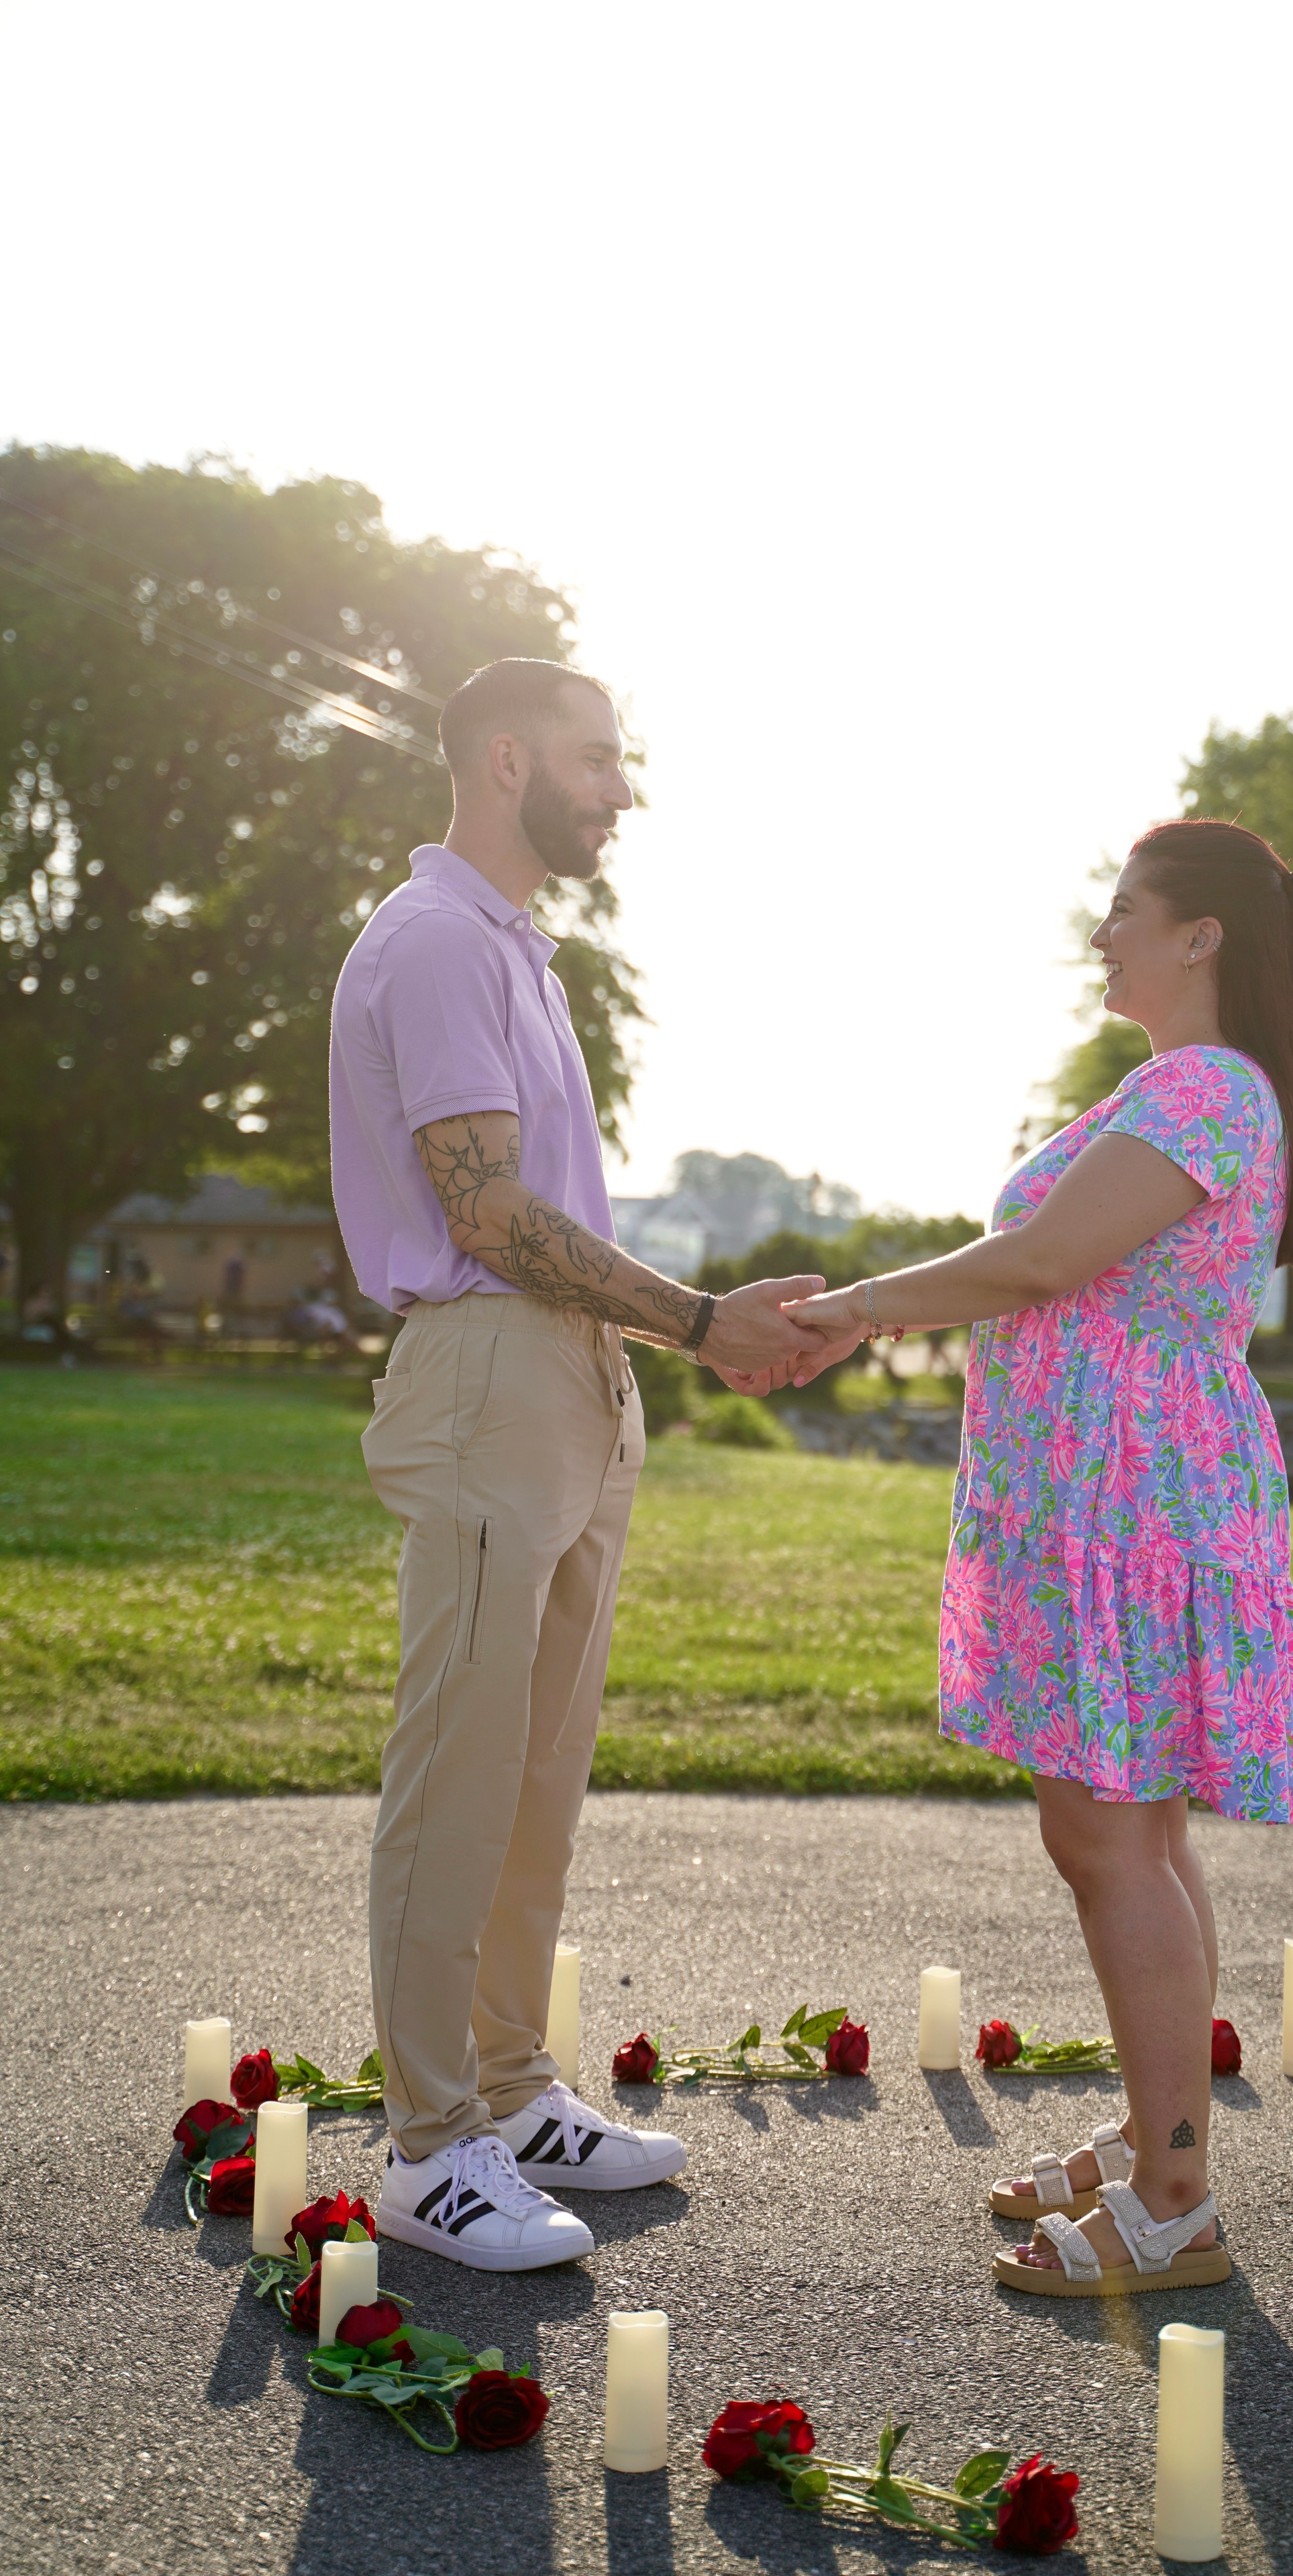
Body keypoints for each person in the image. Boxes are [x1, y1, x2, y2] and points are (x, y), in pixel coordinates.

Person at [780, 819, 1293, 2298]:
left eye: (1120, 911)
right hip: (1100, 1489)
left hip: (1134, 1492)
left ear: (1198, 932)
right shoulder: (1173, 1086)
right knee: (1132, 1829)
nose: (1100, 936)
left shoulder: (1211, 1086)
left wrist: (848, 1307)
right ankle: (1160, 2136)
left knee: (1105, 1833)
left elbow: (1042, 1262)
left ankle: (1171, 2196)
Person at [329, 657, 831, 2273]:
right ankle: (427, 2147)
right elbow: (485, 1215)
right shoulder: (429, 943)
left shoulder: (515, 950)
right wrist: (700, 1318)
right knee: (458, 1769)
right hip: (488, 1370)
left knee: (537, 1776)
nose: (623, 787)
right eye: (601, 758)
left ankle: (509, 2085)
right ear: (501, 758)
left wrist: (644, 1353)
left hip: (571, 1380)